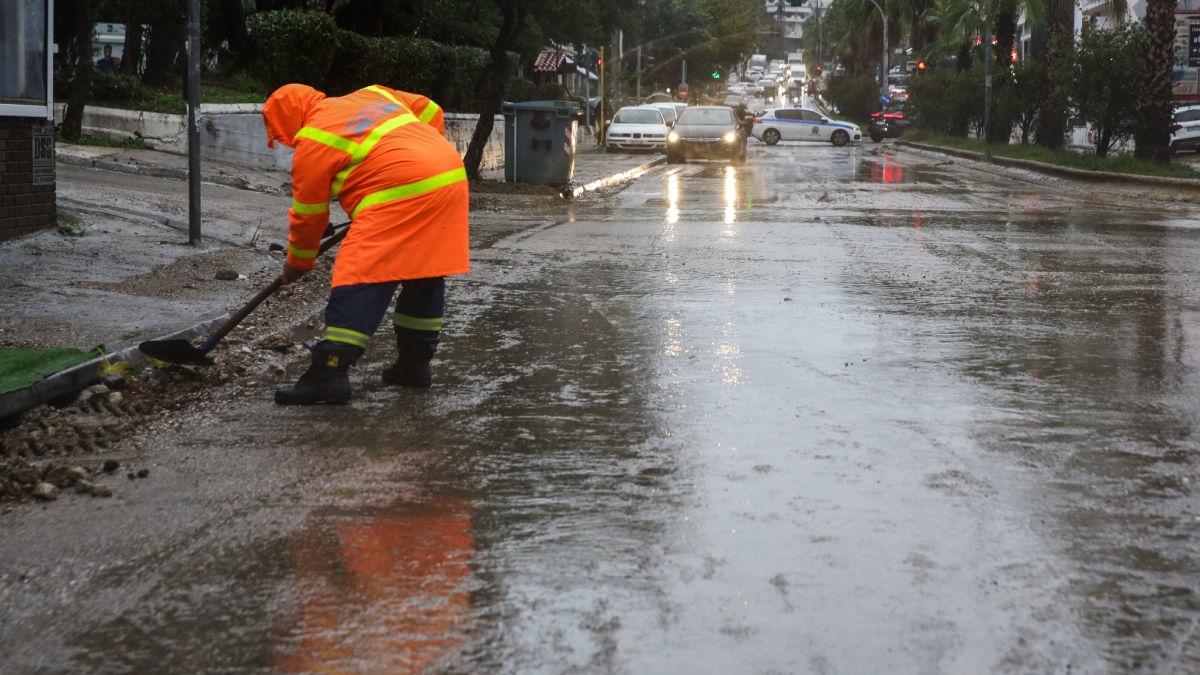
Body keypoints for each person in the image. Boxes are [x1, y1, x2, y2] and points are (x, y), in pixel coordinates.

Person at [262, 83, 466, 405]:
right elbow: (431, 110)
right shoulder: (371, 94)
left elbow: (309, 216)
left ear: (286, 122)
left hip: (401, 188)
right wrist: (420, 154)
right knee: (424, 269)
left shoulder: (313, 139)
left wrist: (297, 264)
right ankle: (414, 365)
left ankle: (329, 372)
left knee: (360, 272)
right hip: (448, 175)